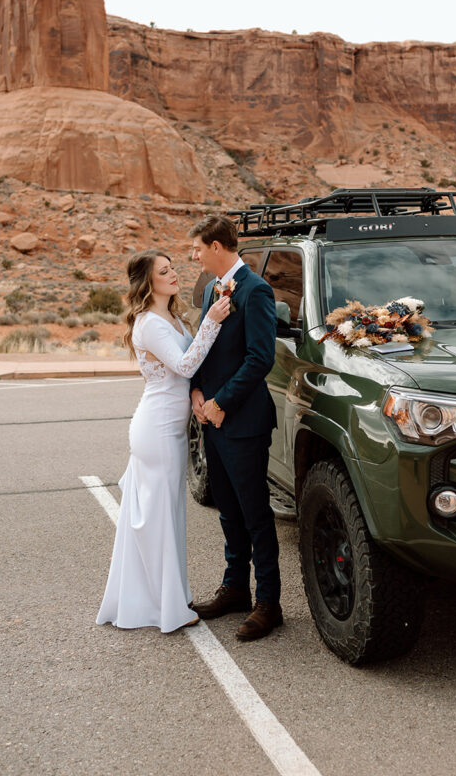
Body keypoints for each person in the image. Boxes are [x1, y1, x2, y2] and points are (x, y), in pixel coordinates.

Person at [96, 249, 231, 633]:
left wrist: (194, 394)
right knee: (159, 519)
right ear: (147, 281)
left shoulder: (170, 316)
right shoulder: (149, 323)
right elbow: (186, 364)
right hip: (156, 429)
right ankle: (166, 606)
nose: (174, 275)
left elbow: (185, 372)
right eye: (165, 271)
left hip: (170, 426)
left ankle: (165, 596)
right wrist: (212, 322)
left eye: (174, 269)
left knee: (166, 515)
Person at [189, 215, 282, 641]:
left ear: (217, 247)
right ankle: (235, 588)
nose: (193, 255)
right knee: (227, 508)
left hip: (242, 421)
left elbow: (261, 358)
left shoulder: (257, 291)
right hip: (211, 418)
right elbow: (202, 347)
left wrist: (223, 402)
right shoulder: (211, 289)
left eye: (198, 248)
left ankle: (269, 603)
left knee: (255, 513)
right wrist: (196, 394)